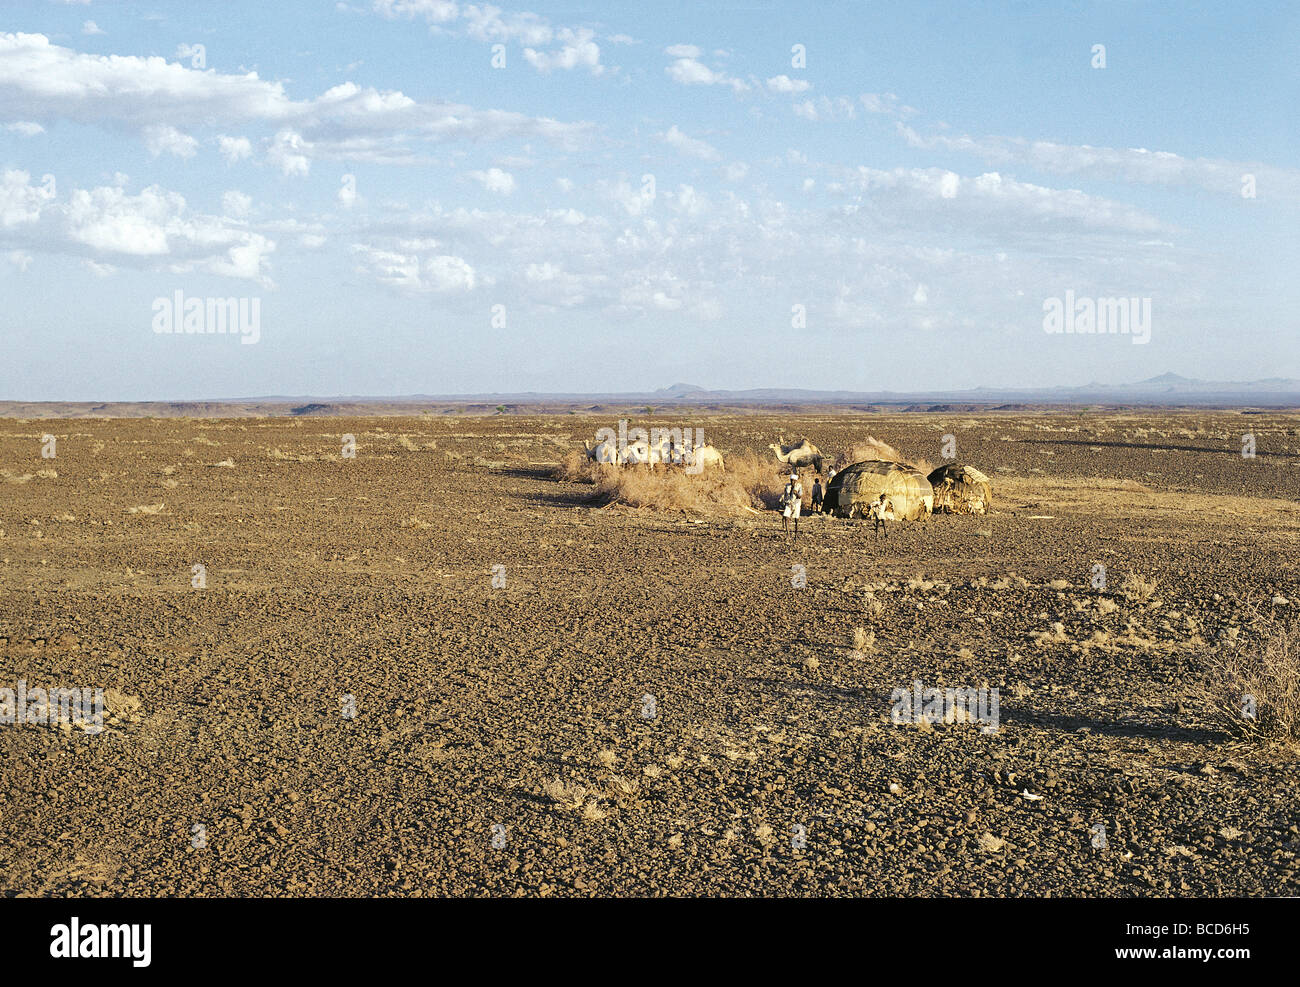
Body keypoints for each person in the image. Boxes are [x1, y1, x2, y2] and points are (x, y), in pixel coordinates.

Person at [780, 471, 803, 541]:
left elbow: (800, 496)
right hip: (789, 503)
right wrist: (782, 501)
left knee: (796, 520)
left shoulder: (799, 486)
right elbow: (785, 494)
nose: (792, 481)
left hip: (796, 504)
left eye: (793, 480)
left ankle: (795, 534)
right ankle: (788, 535)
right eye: (791, 480)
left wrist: (796, 494)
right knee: (786, 517)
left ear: (796, 480)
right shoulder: (787, 486)